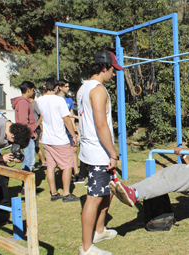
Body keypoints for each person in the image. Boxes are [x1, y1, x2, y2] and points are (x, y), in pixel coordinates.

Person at [77, 51, 123, 255]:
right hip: (98, 153)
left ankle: (100, 230)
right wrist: (113, 154)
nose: (114, 74)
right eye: (113, 70)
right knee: (93, 198)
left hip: (90, 150)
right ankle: (87, 248)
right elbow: (100, 124)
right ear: (104, 67)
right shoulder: (98, 90)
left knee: (108, 190)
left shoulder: (83, 88)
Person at [37, 77, 80, 202]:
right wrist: (73, 135)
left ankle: (54, 193)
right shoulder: (59, 100)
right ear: (56, 87)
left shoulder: (39, 100)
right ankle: (67, 194)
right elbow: (66, 119)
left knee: (50, 166)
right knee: (67, 165)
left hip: (46, 139)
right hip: (60, 140)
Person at [0, 117, 30, 224]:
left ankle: (4, 207)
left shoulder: (13, 129)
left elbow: (16, 145)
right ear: (12, 135)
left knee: (3, 175)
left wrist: (18, 154)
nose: (13, 145)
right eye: (15, 143)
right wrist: (1, 158)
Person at [11, 81, 38, 195]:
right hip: (27, 137)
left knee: (28, 160)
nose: (34, 92)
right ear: (28, 90)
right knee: (29, 161)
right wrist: (31, 133)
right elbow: (23, 122)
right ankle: (26, 188)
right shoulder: (23, 103)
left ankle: (26, 187)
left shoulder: (24, 102)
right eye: (33, 90)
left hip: (27, 136)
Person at [57, 79, 84, 184]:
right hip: (60, 129)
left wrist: (74, 128)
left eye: (68, 86)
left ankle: (76, 173)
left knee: (73, 149)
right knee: (63, 152)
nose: (68, 88)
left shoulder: (69, 100)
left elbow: (71, 116)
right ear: (60, 87)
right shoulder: (56, 99)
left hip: (69, 129)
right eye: (66, 86)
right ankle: (63, 172)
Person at [29, 93, 47, 170]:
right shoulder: (27, 104)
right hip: (29, 129)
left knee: (34, 146)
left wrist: (35, 126)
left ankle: (33, 164)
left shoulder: (34, 103)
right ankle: (43, 162)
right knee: (32, 147)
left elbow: (41, 116)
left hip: (36, 129)